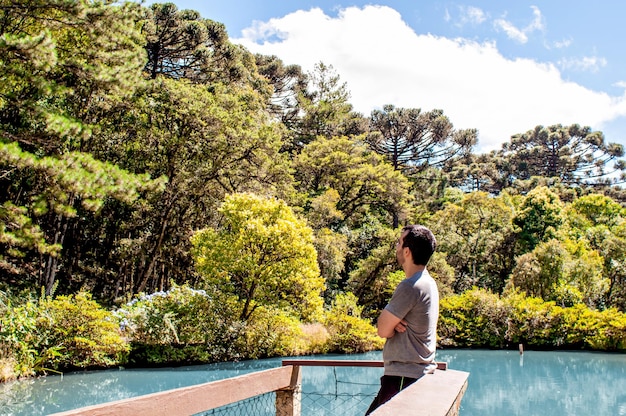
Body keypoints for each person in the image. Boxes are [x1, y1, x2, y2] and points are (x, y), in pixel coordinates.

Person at [365, 224, 439, 415]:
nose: (396, 247)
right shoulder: (429, 283)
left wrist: (390, 323)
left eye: (399, 243)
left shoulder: (410, 286)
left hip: (403, 378)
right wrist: (393, 322)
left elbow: (382, 329)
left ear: (407, 251)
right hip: (415, 376)